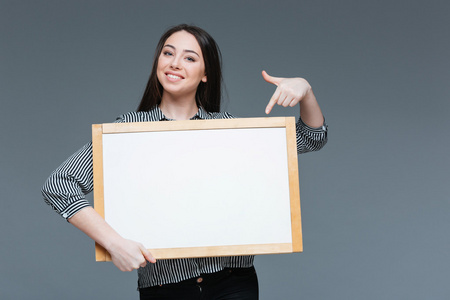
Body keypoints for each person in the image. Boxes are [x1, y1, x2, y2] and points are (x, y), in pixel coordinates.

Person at [42, 24, 328, 300]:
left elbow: (311, 138)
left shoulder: (229, 130)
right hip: (164, 288)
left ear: (206, 74)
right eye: (168, 53)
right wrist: (113, 242)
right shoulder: (126, 133)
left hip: (234, 282)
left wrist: (306, 90)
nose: (175, 63)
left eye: (189, 58)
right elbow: (59, 184)